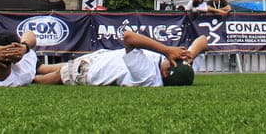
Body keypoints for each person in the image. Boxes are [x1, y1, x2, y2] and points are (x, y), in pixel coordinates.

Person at [34, 31, 208, 87]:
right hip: (101, 58)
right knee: (43, 67)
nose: (172, 58)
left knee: (47, 77)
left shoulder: (148, 76)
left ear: (165, 73)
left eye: (172, 61)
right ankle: (36, 67)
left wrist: (166, 50)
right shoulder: (182, 72)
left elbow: (128, 37)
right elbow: (203, 40)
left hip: (89, 72)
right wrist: (191, 53)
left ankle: (28, 77)